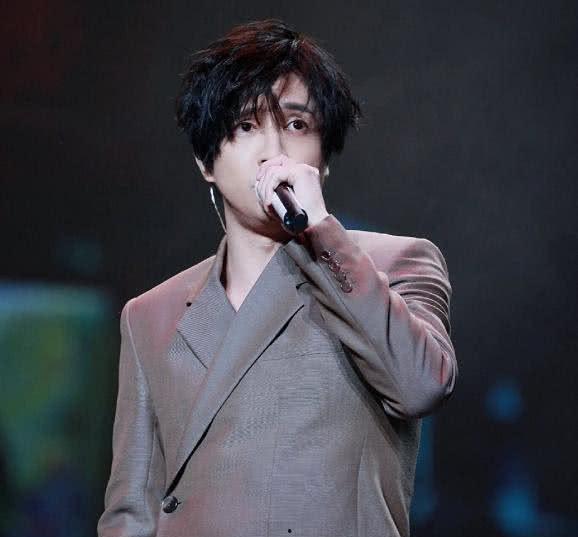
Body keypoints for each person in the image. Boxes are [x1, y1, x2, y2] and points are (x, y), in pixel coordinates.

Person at [97, 18, 457, 537]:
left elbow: (421, 386)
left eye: (296, 125)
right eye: (246, 126)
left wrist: (323, 234)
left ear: (324, 158)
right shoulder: (150, 314)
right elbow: (132, 509)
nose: (274, 151)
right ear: (205, 160)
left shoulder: (392, 265)